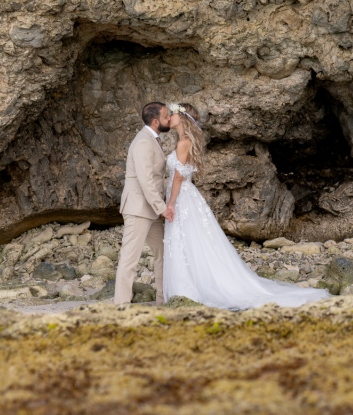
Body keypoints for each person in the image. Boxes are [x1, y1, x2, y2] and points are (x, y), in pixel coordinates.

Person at [162, 102, 330, 309]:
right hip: (185, 196)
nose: (170, 117)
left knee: (185, 239)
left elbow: (178, 176)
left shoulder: (183, 143)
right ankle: (191, 286)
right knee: (190, 240)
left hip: (181, 197)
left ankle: (188, 289)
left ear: (183, 118)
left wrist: (170, 204)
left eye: (173, 114)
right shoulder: (183, 141)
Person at [115, 102, 174, 305]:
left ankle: (162, 299)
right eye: (167, 116)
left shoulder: (153, 139)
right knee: (130, 258)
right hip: (139, 209)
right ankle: (121, 306)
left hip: (152, 210)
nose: (170, 119)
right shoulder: (142, 142)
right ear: (156, 121)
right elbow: (145, 179)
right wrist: (162, 208)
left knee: (163, 253)